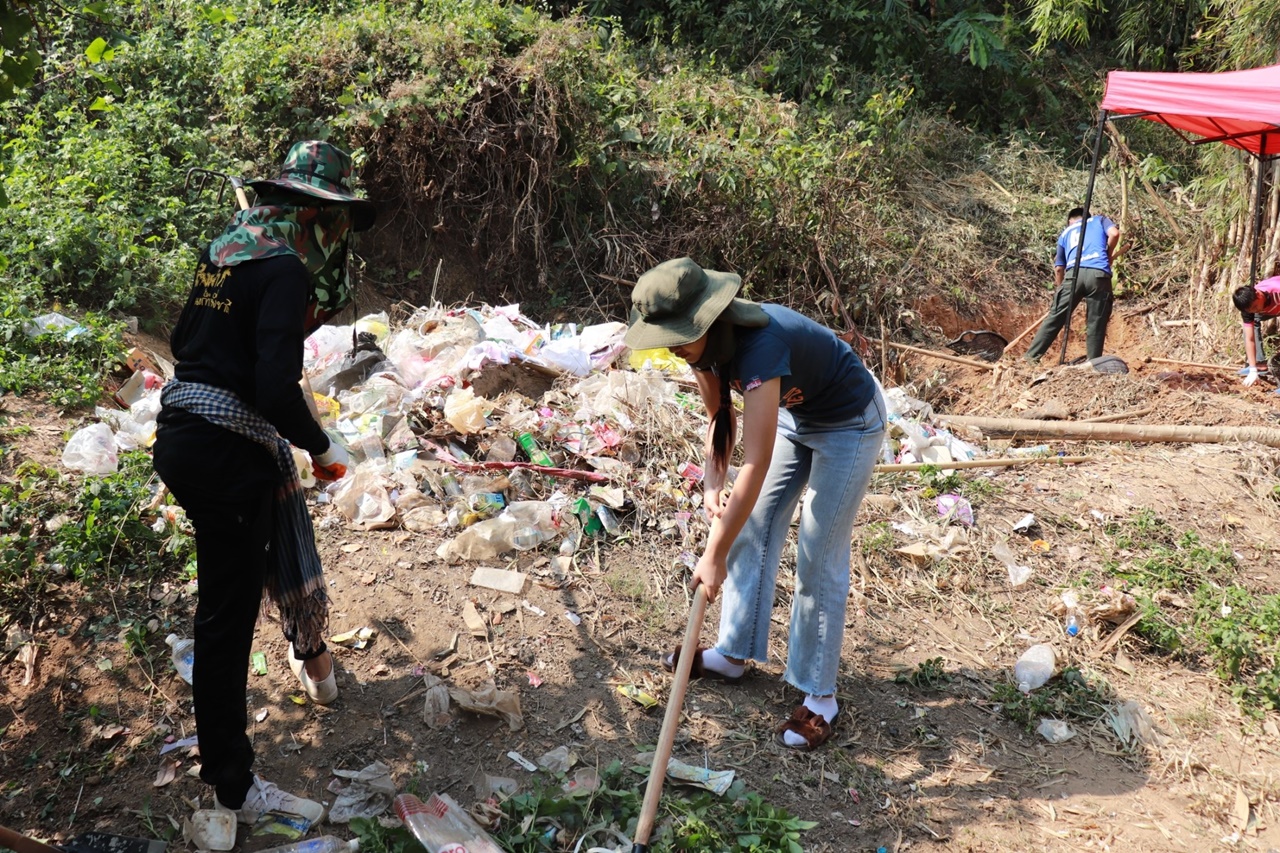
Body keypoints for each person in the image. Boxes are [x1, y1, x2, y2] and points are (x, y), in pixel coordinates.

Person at [152, 140, 375, 822]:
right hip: (224, 454)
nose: (336, 237)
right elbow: (273, 387)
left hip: (184, 435)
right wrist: (324, 446)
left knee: (237, 590)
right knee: (226, 620)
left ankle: (311, 659)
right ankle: (235, 785)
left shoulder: (224, 251)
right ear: (313, 217)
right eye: (334, 222)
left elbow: (190, 345)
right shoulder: (283, 269)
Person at [625, 258, 886, 750]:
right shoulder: (702, 349)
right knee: (751, 523)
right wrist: (711, 484)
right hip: (795, 416)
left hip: (848, 421)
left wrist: (714, 555)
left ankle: (820, 697)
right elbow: (719, 418)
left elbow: (757, 461)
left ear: (707, 318)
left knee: (818, 548)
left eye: (679, 337)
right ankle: (732, 653)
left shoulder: (761, 345)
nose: (674, 348)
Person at [1025, 207, 1122, 363]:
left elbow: (1059, 268)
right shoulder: (1099, 220)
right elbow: (1115, 234)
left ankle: (1031, 358)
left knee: (1055, 318)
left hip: (1073, 276)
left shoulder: (1065, 233)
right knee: (1096, 321)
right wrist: (1108, 255)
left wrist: (1060, 290)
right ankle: (1093, 363)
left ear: (1070, 220)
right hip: (1099, 274)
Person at [1232, 275, 1280, 386]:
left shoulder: (1277, 289)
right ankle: (1259, 363)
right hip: (1271, 308)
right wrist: (1253, 370)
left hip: (1276, 302)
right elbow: (1250, 338)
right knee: (1252, 324)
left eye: (1254, 307)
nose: (1254, 311)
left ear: (1258, 294)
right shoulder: (1248, 309)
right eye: (1250, 310)